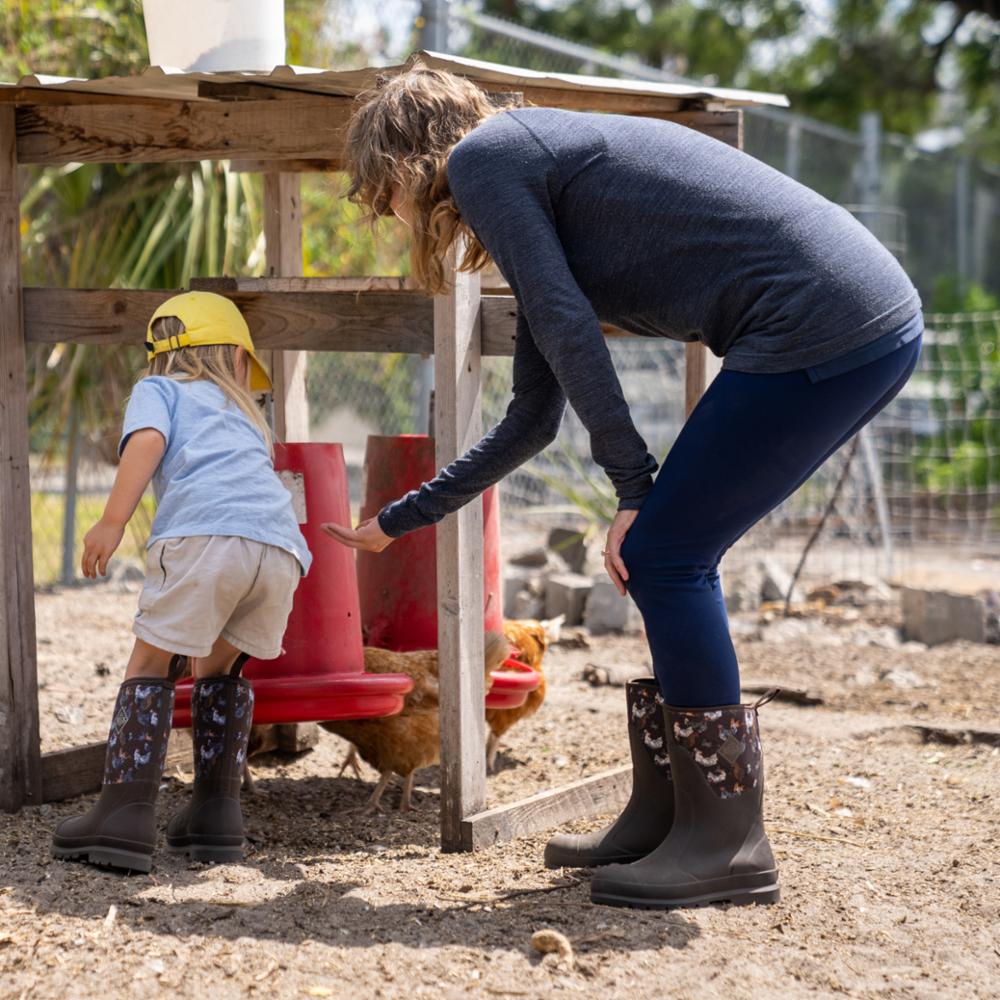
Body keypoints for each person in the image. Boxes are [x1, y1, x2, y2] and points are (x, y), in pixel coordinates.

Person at [324, 68, 922, 910]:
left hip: (825, 319)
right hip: (844, 317)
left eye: (376, 194)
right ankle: (667, 813)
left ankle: (726, 843)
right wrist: (401, 519)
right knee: (666, 556)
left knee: (667, 554)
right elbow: (534, 416)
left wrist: (632, 489)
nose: (385, 214)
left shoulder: (488, 158)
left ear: (401, 162)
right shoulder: (530, 181)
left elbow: (573, 332)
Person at [51, 291, 311, 873]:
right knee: (219, 670)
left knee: (150, 665)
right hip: (279, 551)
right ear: (237, 360)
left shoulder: (158, 391)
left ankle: (122, 816)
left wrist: (113, 520)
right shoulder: (247, 411)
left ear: (162, 356)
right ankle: (216, 814)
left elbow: (147, 443)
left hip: (205, 540)